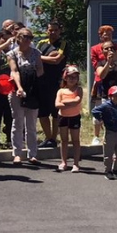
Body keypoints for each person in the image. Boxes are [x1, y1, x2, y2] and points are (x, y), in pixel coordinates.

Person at [7, 27, 43, 166]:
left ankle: (32, 153)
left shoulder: (36, 53)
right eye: (25, 37)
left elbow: (40, 69)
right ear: (18, 38)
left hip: (33, 90)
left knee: (31, 124)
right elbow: (14, 71)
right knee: (18, 122)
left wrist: (32, 78)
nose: (28, 40)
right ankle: (17, 153)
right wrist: (21, 87)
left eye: (30, 38)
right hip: (17, 90)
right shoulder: (12, 54)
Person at [36, 21, 68, 150]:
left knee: (55, 112)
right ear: (47, 30)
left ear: (59, 31)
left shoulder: (63, 44)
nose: (53, 32)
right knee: (42, 112)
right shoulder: (41, 43)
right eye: (50, 30)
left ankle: (54, 138)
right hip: (41, 81)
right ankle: (48, 138)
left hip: (56, 82)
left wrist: (41, 58)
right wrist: (45, 57)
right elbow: (34, 57)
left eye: (55, 30)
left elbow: (57, 60)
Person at [92, 86, 117, 180]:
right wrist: (101, 118)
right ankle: (108, 170)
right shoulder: (106, 105)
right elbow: (95, 111)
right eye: (115, 95)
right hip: (110, 131)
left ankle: (116, 169)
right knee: (108, 153)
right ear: (110, 96)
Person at [54, 66, 84, 173]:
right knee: (64, 140)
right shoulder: (61, 91)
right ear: (65, 78)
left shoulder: (78, 89)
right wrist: (70, 103)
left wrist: (65, 103)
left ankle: (76, 163)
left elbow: (77, 100)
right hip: (63, 117)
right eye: (70, 77)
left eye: (75, 77)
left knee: (75, 140)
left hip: (74, 117)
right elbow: (57, 104)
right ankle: (63, 162)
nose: (72, 79)